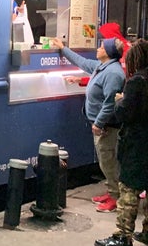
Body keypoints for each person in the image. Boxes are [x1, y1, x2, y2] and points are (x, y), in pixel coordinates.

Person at [51, 36, 125, 212]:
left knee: (108, 162)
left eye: (102, 47)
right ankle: (112, 191)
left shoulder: (113, 73)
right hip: (102, 125)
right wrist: (63, 48)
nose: (98, 49)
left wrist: (99, 123)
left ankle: (116, 199)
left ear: (109, 52)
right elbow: (82, 62)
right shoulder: (102, 67)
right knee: (105, 160)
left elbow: (110, 103)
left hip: (107, 127)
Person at [94, 39, 148, 246]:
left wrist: (120, 100)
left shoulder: (137, 82)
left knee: (128, 189)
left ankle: (123, 237)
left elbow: (124, 113)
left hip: (137, 145)